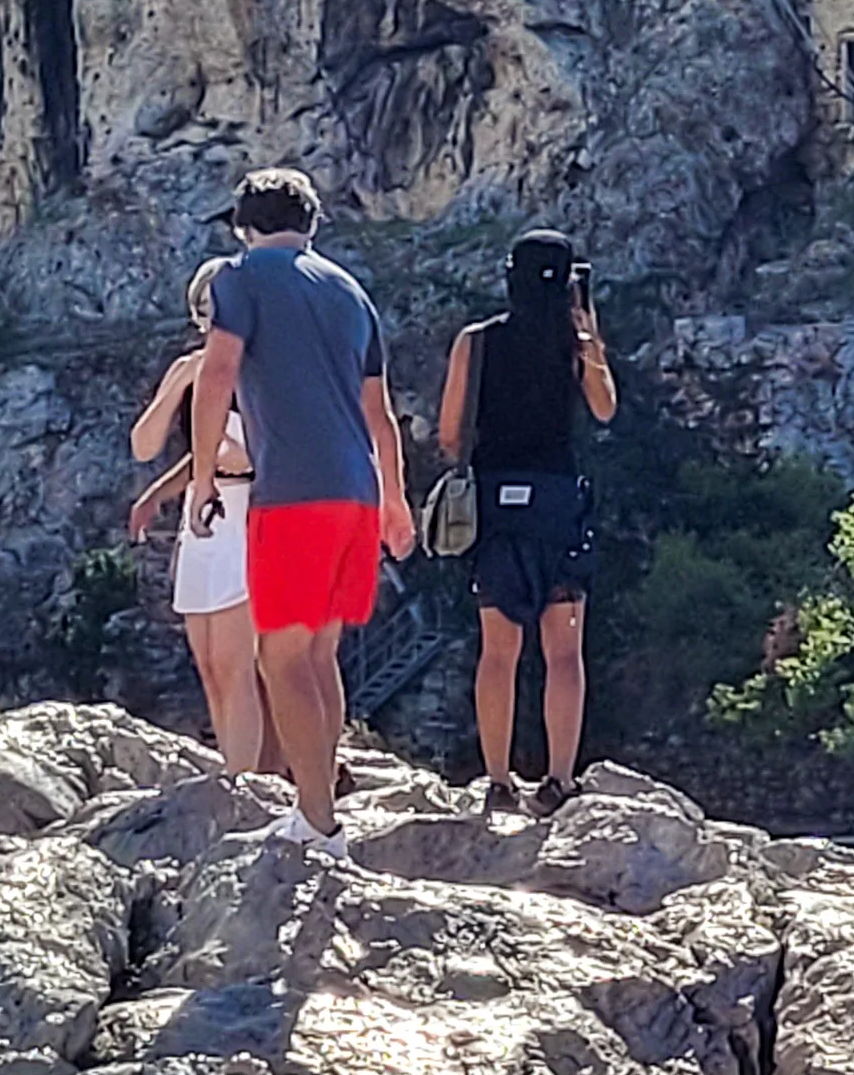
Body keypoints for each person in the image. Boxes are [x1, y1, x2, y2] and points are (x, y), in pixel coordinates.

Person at [188, 167, 417, 863]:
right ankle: (315, 804)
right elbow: (382, 416)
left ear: (242, 224)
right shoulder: (351, 292)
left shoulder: (239, 275)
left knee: (278, 656)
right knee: (318, 654)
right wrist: (396, 501)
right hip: (357, 491)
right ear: (312, 223)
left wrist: (202, 477)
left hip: (291, 490)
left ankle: (318, 824)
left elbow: (218, 371)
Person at [437, 230, 618, 817]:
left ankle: (498, 780)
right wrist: (589, 331)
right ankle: (560, 778)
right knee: (564, 651)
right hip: (557, 503)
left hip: (495, 503)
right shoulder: (575, 344)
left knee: (498, 650)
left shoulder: (476, 342)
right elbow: (605, 407)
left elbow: (448, 435)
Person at [128, 258, 278, 777]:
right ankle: (232, 767)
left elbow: (260, 453)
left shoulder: (261, 372)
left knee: (238, 663)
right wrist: (180, 384)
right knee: (210, 664)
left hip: (245, 516)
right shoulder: (190, 368)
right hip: (204, 521)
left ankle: (245, 778)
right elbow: (147, 445)